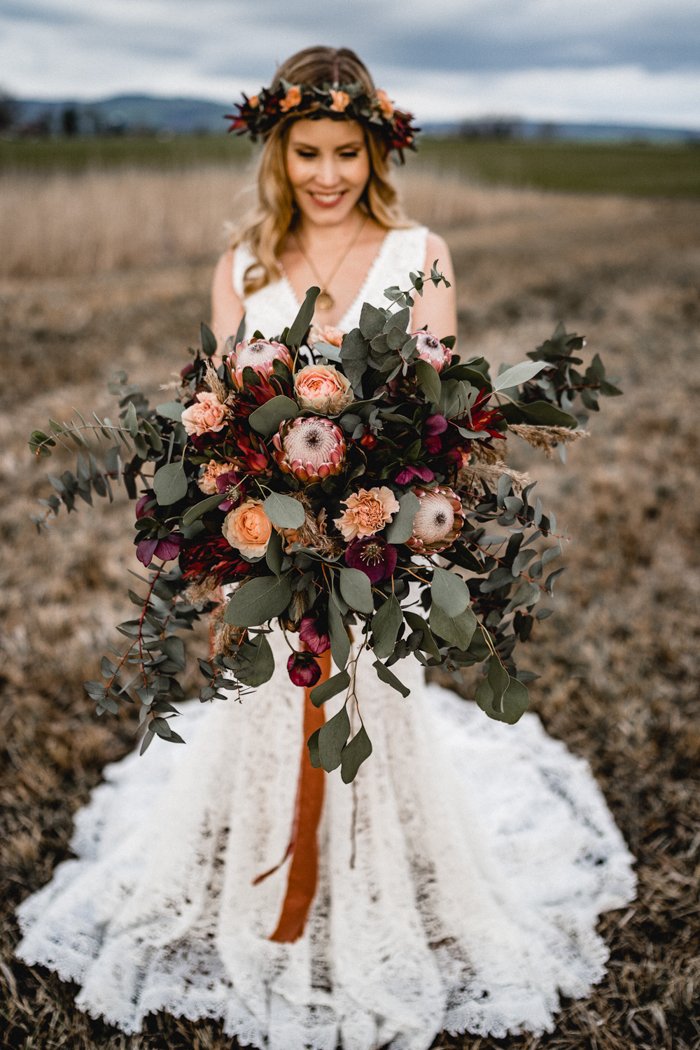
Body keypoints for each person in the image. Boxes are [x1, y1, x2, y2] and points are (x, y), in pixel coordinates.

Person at [15, 45, 636, 1050]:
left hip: (380, 541)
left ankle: (373, 864)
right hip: (273, 548)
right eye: (308, 152)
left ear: (377, 151)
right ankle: (265, 857)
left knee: (376, 698)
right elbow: (219, 415)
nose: (328, 174)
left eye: (347, 152)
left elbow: (441, 417)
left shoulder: (422, 252)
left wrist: (386, 511)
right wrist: (241, 523)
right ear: (278, 150)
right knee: (267, 704)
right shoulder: (243, 267)